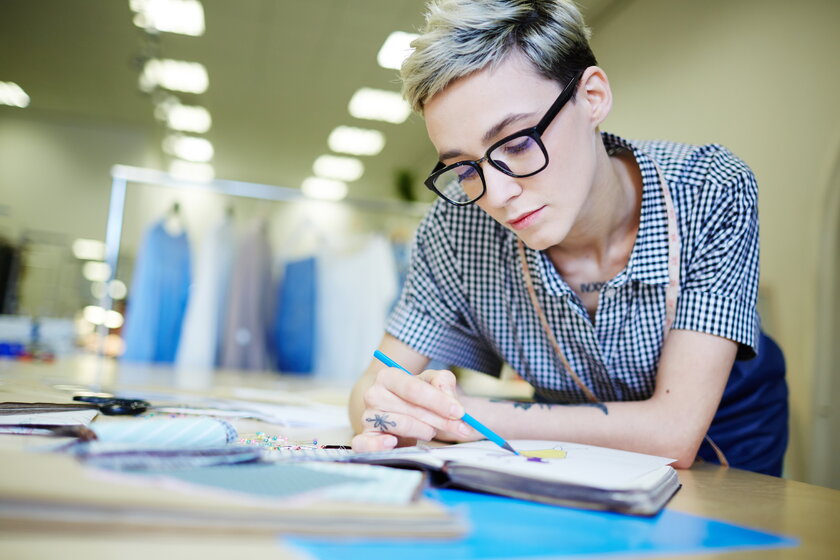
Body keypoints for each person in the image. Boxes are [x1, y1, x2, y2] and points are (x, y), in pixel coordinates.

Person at [349, 0, 788, 476]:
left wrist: (470, 416)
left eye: (517, 143)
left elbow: (673, 433)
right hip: (556, 443)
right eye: (462, 168)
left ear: (592, 97)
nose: (496, 195)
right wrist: (394, 412)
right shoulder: (455, 227)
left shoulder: (710, 189)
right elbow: (370, 392)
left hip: (724, 442)